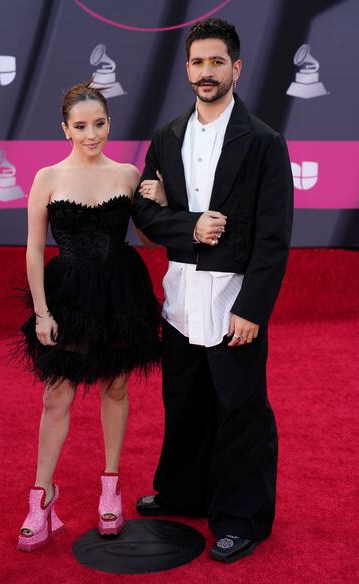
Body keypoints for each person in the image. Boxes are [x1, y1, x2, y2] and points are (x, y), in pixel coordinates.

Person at [132, 18, 293, 563]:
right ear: (187, 69)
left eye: (216, 62)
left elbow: (274, 236)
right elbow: (146, 214)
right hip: (179, 297)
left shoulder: (265, 142)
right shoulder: (166, 137)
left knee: (241, 410)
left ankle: (241, 518)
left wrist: (253, 310)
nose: (206, 72)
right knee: (184, 402)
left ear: (236, 68)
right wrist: (190, 224)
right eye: (198, 62)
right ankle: (184, 492)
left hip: (233, 301)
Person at [16, 82, 161, 551]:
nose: (91, 134)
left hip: (121, 292)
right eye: (81, 126)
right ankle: (42, 497)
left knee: (115, 386)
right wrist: (41, 312)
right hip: (70, 295)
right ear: (65, 129)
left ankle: (110, 488)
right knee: (57, 393)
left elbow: (149, 238)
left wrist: (155, 202)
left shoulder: (127, 174)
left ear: (109, 124)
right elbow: (36, 249)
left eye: (98, 124)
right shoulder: (47, 177)